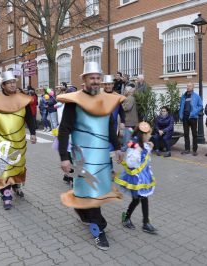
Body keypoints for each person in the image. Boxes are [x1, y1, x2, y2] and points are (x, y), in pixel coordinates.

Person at [57, 62, 125, 251]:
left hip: (102, 157)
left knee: (97, 188)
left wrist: (118, 147)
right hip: (81, 157)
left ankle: (83, 212)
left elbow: (109, 126)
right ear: (84, 80)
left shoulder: (106, 99)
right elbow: (64, 130)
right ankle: (98, 228)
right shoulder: (74, 102)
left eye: (98, 78)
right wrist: (64, 157)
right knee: (90, 188)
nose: (95, 82)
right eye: (91, 78)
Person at [0, 71, 37, 210]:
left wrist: (33, 132)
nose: (13, 85)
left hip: (18, 138)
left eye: (14, 82)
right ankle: (6, 194)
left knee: (18, 164)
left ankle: (17, 185)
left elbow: (29, 117)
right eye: (10, 83)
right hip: (1, 139)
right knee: (5, 165)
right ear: (3, 85)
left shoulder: (22, 99)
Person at [115, 122, 157, 234]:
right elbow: (130, 163)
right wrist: (138, 152)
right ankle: (128, 218)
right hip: (136, 178)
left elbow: (145, 155)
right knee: (137, 199)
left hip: (143, 176)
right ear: (143, 135)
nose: (150, 136)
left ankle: (145, 223)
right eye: (148, 134)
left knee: (143, 198)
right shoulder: (134, 146)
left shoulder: (143, 144)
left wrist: (149, 146)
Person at [179, 82, 203, 156]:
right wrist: (181, 115)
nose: (188, 87)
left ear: (193, 87)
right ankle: (187, 149)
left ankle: (194, 150)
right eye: (187, 86)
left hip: (193, 117)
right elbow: (181, 106)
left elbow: (200, 106)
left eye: (190, 86)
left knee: (194, 134)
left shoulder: (196, 96)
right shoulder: (184, 96)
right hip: (185, 117)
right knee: (186, 134)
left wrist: (194, 112)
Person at [122, 84, 139, 151]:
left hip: (129, 122)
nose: (124, 92)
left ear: (128, 91)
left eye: (125, 90)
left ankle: (125, 148)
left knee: (127, 135)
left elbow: (127, 108)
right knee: (131, 135)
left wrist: (121, 106)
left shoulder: (129, 98)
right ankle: (133, 147)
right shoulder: (131, 98)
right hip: (131, 122)